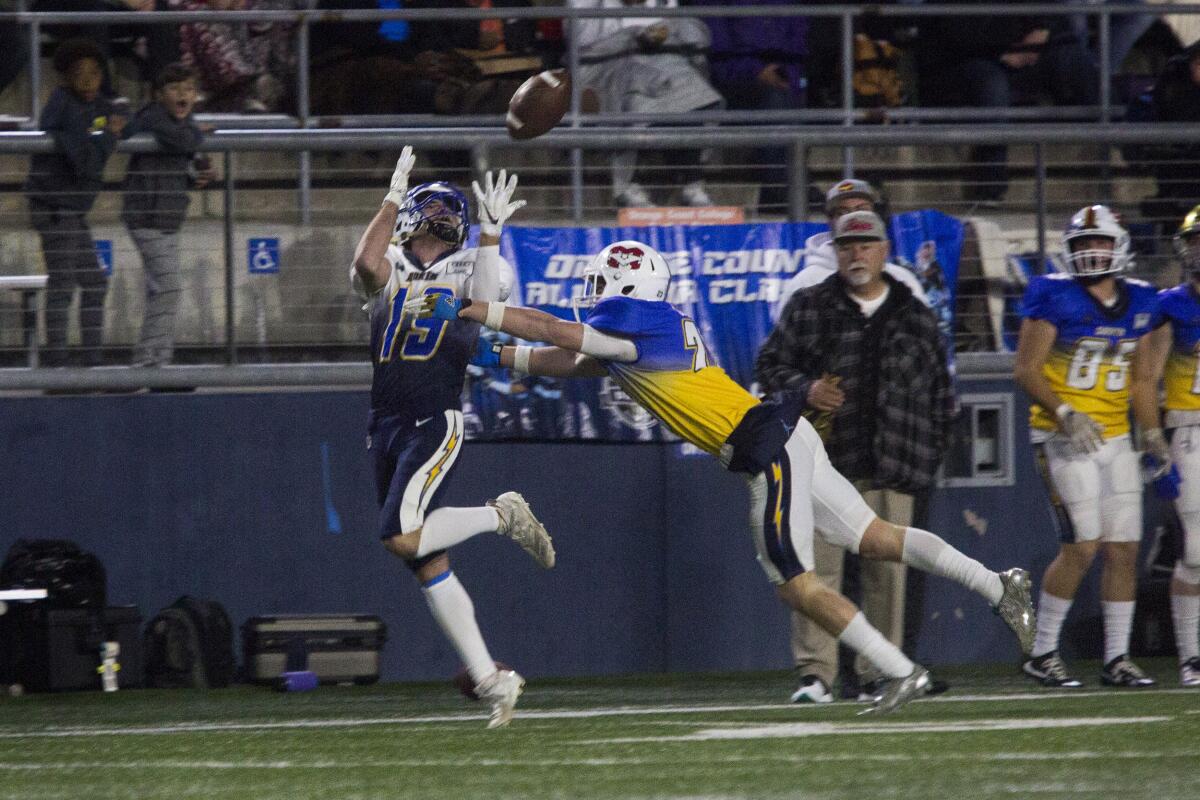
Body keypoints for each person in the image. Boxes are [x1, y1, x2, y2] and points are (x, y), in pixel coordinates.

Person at [411, 229, 1036, 716]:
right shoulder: (642, 335)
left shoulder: (636, 323)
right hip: (781, 437)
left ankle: (900, 671)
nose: (595, 290)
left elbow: (556, 330)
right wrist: (493, 350)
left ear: (623, 285)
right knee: (873, 536)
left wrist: (472, 308)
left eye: (603, 281)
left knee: (794, 581)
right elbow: (563, 359)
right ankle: (997, 584)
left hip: (765, 447)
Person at [350, 147, 556, 728]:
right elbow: (367, 263)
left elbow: (489, 308)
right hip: (384, 422)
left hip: (433, 418)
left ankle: (500, 515)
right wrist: (391, 195)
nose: (439, 217)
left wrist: (491, 234)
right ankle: (491, 680)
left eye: (449, 210)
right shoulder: (389, 264)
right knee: (424, 559)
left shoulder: (470, 265)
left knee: (399, 536)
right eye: (429, 207)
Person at [755, 210, 955, 704]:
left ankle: (877, 673)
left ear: (885, 251)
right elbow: (769, 366)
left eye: (865, 245)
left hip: (894, 463)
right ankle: (816, 674)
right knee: (813, 572)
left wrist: (927, 458)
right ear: (835, 251)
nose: (856, 253)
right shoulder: (809, 306)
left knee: (888, 576)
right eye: (847, 245)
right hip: (823, 463)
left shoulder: (914, 311)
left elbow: (940, 392)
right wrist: (807, 389)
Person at [1013, 204, 1162, 689]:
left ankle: (1116, 658)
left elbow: (1142, 379)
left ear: (1117, 245)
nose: (1091, 252)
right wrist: (1064, 413)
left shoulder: (1142, 301)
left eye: (1099, 242)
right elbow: (1027, 370)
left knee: (1124, 549)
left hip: (1116, 436)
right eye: (1082, 244)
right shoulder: (1054, 296)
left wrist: (1153, 434)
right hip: (1062, 435)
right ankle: (1042, 652)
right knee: (1082, 546)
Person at [24, 38, 127, 367]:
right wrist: (109, 136)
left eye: (95, 73)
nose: (88, 80)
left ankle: (92, 363)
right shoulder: (62, 107)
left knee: (94, 282)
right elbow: (85, 159)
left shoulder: (98, 106)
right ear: (66, 78)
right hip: (55, 207)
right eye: (80, 73)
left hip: (73, 210)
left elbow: (123, 121)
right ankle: (57, 367)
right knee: (64, 283)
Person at [569, 0, 722, 208]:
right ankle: (628, 185)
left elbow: (676, 25)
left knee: (690, 88)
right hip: (605, 63)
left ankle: (691, 181)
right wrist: (630, 34)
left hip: (659, 56)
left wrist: (663, 32)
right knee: (639, 96)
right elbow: (581, 42)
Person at [1140, 205, 1200, 688]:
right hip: (1190, 429)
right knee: (1197, 551)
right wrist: (1154, 442)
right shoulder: (1171, 306)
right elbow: (1146, 379)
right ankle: (1191, 656)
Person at [121, 62, 214, 367]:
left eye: (188, 89)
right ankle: (147, 361)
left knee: (160, 291)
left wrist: (194, 174)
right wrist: (197, 137)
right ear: (159, 95)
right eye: (174, 89)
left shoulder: (185, 125)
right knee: (170, 287)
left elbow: (178, 159)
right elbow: (182, 140)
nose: (182, 94)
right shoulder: (152, 118)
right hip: (145, 218)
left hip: (169, 218)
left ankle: (158, 362)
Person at [773, 179, 927, 323]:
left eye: (862, 209)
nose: (853, 217)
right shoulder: (804, 284)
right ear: (829, 221)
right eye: (842, 212)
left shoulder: (903, 280)